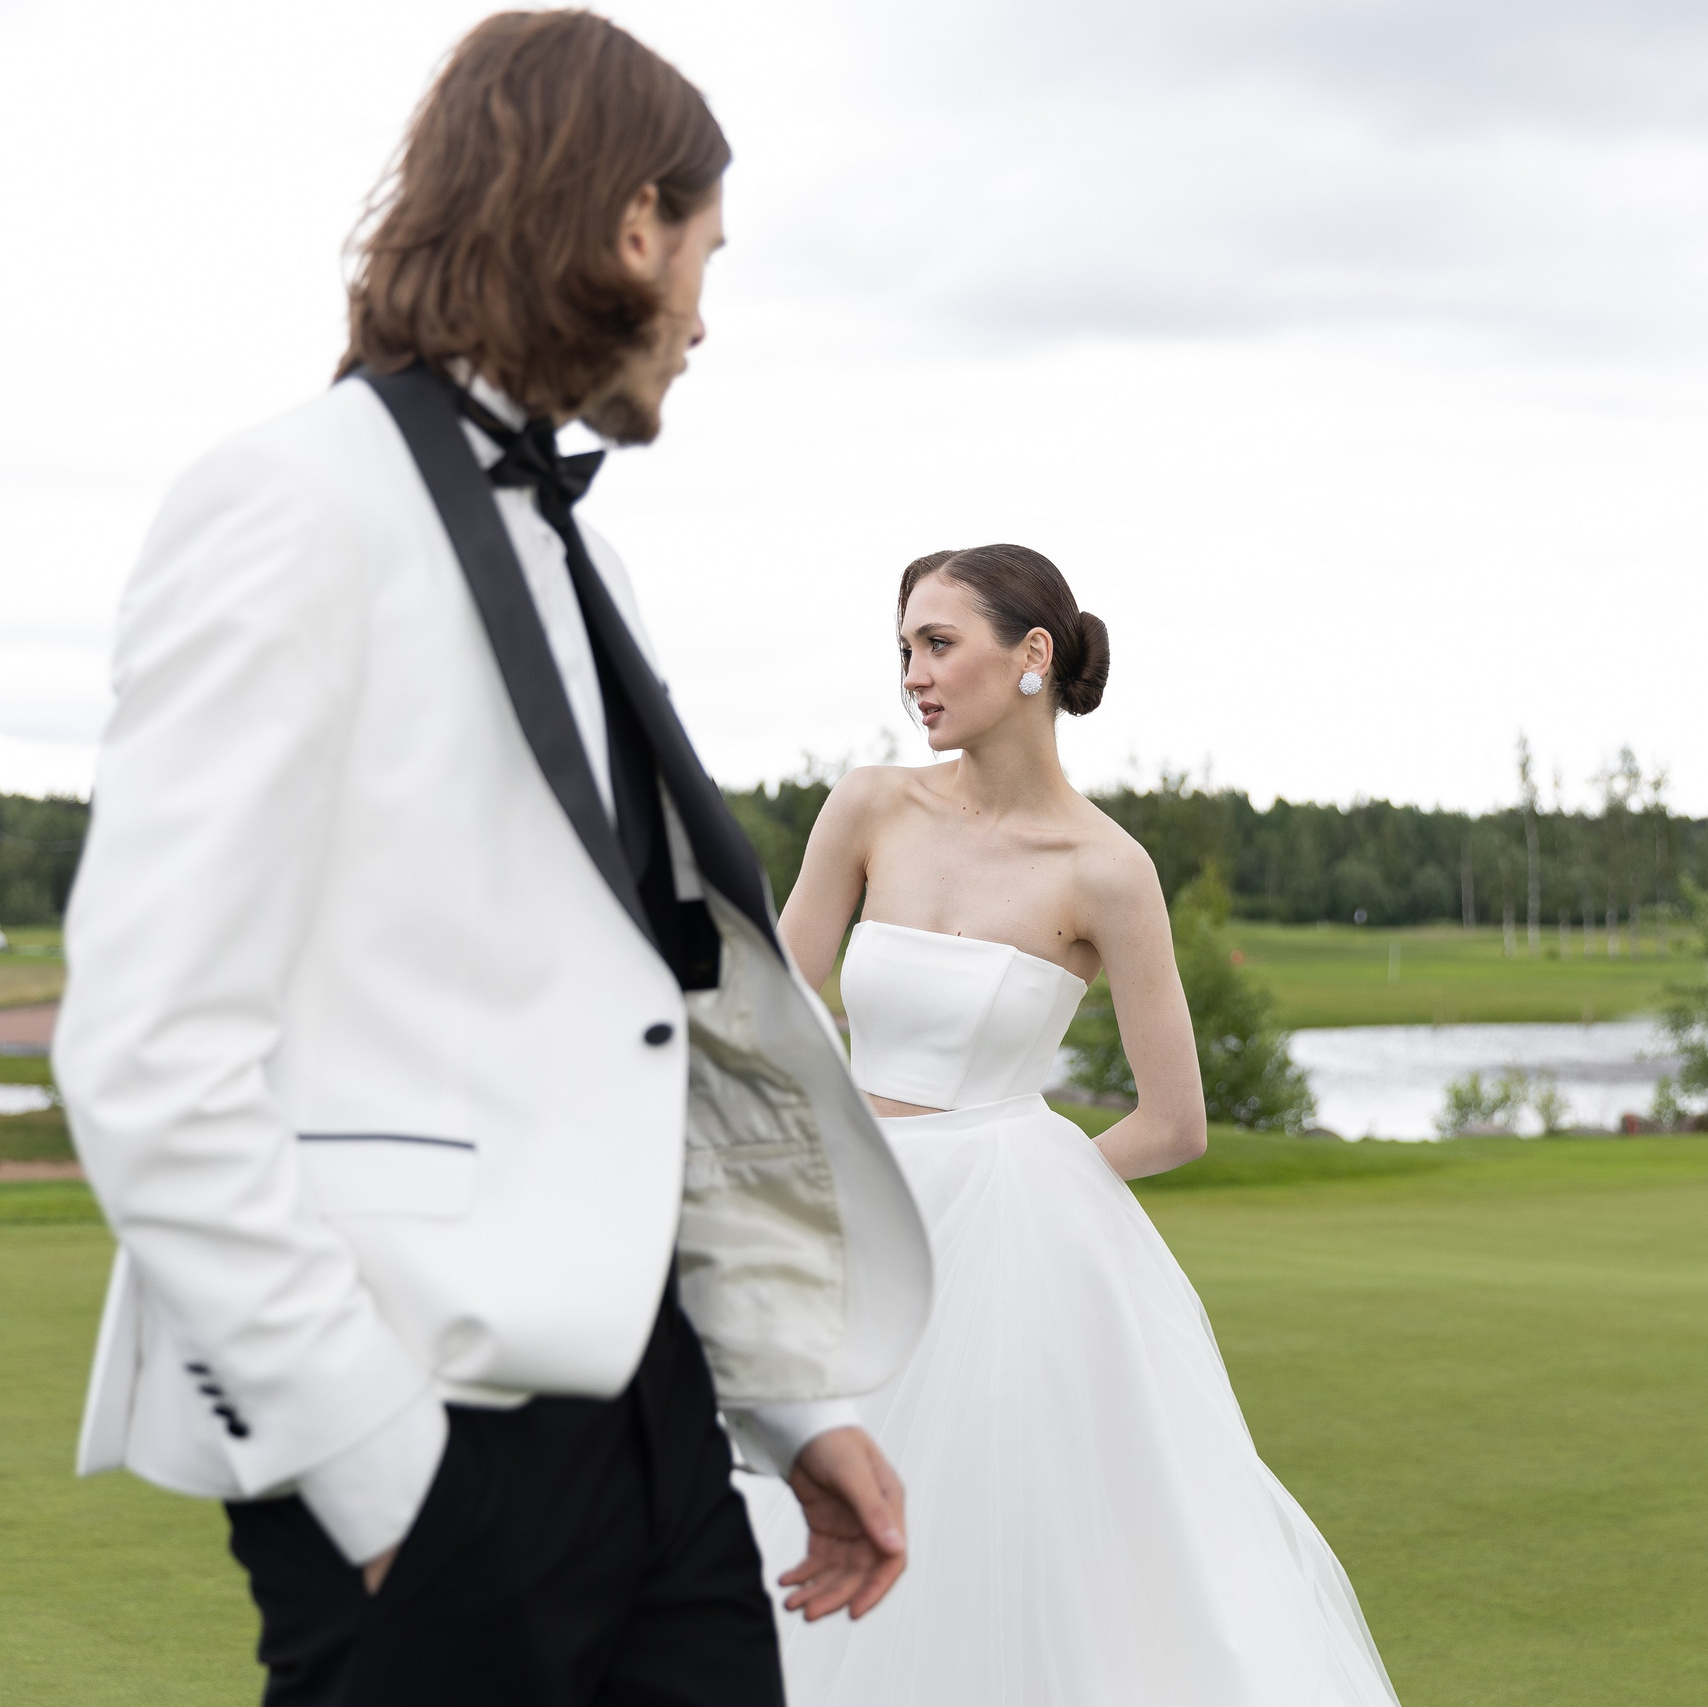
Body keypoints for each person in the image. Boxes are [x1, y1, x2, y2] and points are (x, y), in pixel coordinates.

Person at [52, 13, 931, 1705]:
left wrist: (778, 1402)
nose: (702, 315)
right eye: (703, 254)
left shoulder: (569, 554)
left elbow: (627, 1024)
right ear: (627, 225)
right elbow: (150, 1044)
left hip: (660, 1435)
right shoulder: (290, 502)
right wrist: (375, 1466)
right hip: (424, 1435)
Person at [739, 544, 1403, 1705]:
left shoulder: (1107, 870)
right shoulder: (867, 806)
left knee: (993, 1545)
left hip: (1007, 1248)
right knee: (778, 1518)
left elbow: (1174, 1120)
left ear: (1031, 656)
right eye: (903, 649)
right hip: (849, 1216)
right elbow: (769, 1022)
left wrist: (1025, 1196)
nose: (914, 675)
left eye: (939, 644)